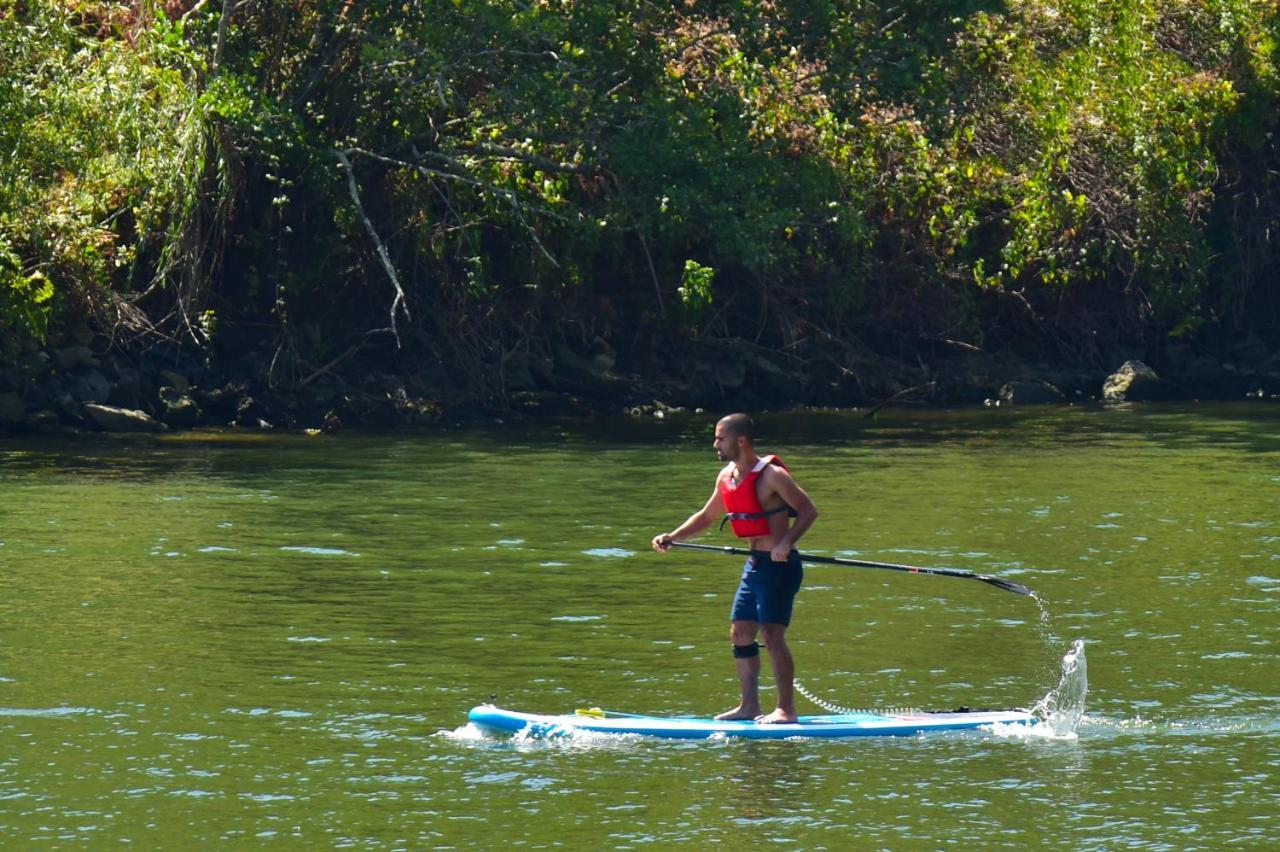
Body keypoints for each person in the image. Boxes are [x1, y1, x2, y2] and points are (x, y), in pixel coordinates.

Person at [651, 413, 818, 723]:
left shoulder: (772, 476)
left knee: (771, 634)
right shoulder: (726, 476)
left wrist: (786, 543)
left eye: (720, 438)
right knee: (740, 632)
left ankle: (786, 709)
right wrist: (672, 536)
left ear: (741, 440)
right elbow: (706, 516)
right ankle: (749, 706)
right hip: (754, 565)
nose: (715, 444)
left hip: (780, 567)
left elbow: (809, 511)